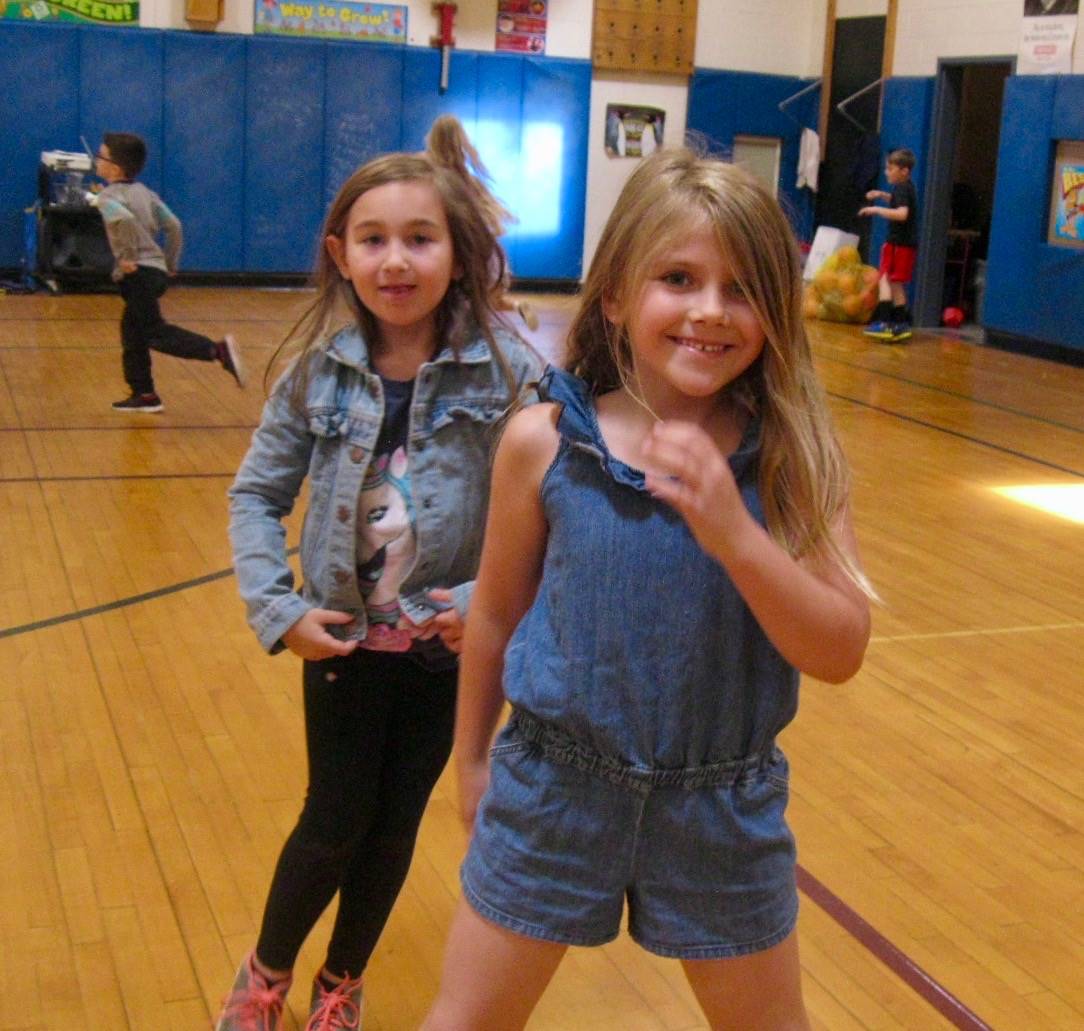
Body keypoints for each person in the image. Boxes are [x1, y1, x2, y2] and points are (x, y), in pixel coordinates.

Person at [421, 147, 874, 1031]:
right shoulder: (542, 442)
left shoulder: (792, 461)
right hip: (553, 789)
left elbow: (841, 649)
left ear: (777, 312)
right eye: (679, 277)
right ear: (620, 295)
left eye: (742, 288)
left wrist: (736, 537)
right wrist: (471, 758)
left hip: (722, 807)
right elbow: (497, 615)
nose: (710, 310)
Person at [216, 120, 544, 1031]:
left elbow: (567, 505)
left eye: (420, 238)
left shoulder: (514, 370)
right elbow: (254, 496)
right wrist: (278, 607)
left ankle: (341, 984)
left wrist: (486, 607)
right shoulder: (316, 373)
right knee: (333, 821)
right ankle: (266, 975)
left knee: (395, 824)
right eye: (373, 239)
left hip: (450, 656)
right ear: (341, 254)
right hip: (347, 645)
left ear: (458, 252)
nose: (396, 260)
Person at [93, 133, 245, 412]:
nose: (96, 160)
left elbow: (123, 220)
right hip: (156, 272)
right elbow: (174, 225)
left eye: (100, 156)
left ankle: (217, 351)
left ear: (115, 167)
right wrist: (171, 262)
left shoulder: (106, 197)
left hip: (136, 273)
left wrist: (126, 258)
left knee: (154, 332)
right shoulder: (147, 194)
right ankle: (145, 395)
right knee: (132, 332)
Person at [424, 116, 540, 332]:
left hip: (461, 256)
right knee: (490, 301)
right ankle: (516, 306)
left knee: (456, 304)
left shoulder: (430, 175)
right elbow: (491, 213)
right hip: (488, 256)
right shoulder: (469, 179)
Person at [859, 147, 918, 342]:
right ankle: (901, 325)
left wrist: (876, 209)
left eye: (890, 168)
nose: (886, 172)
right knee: (896, 284)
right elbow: (898, 202)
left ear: (904, 171)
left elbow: (902, 213)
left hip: (897, 245)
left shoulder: (902, 188)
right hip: (905, 245)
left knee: (884, 279)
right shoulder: (906, 187)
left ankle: (883, 322)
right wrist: (882, 195)